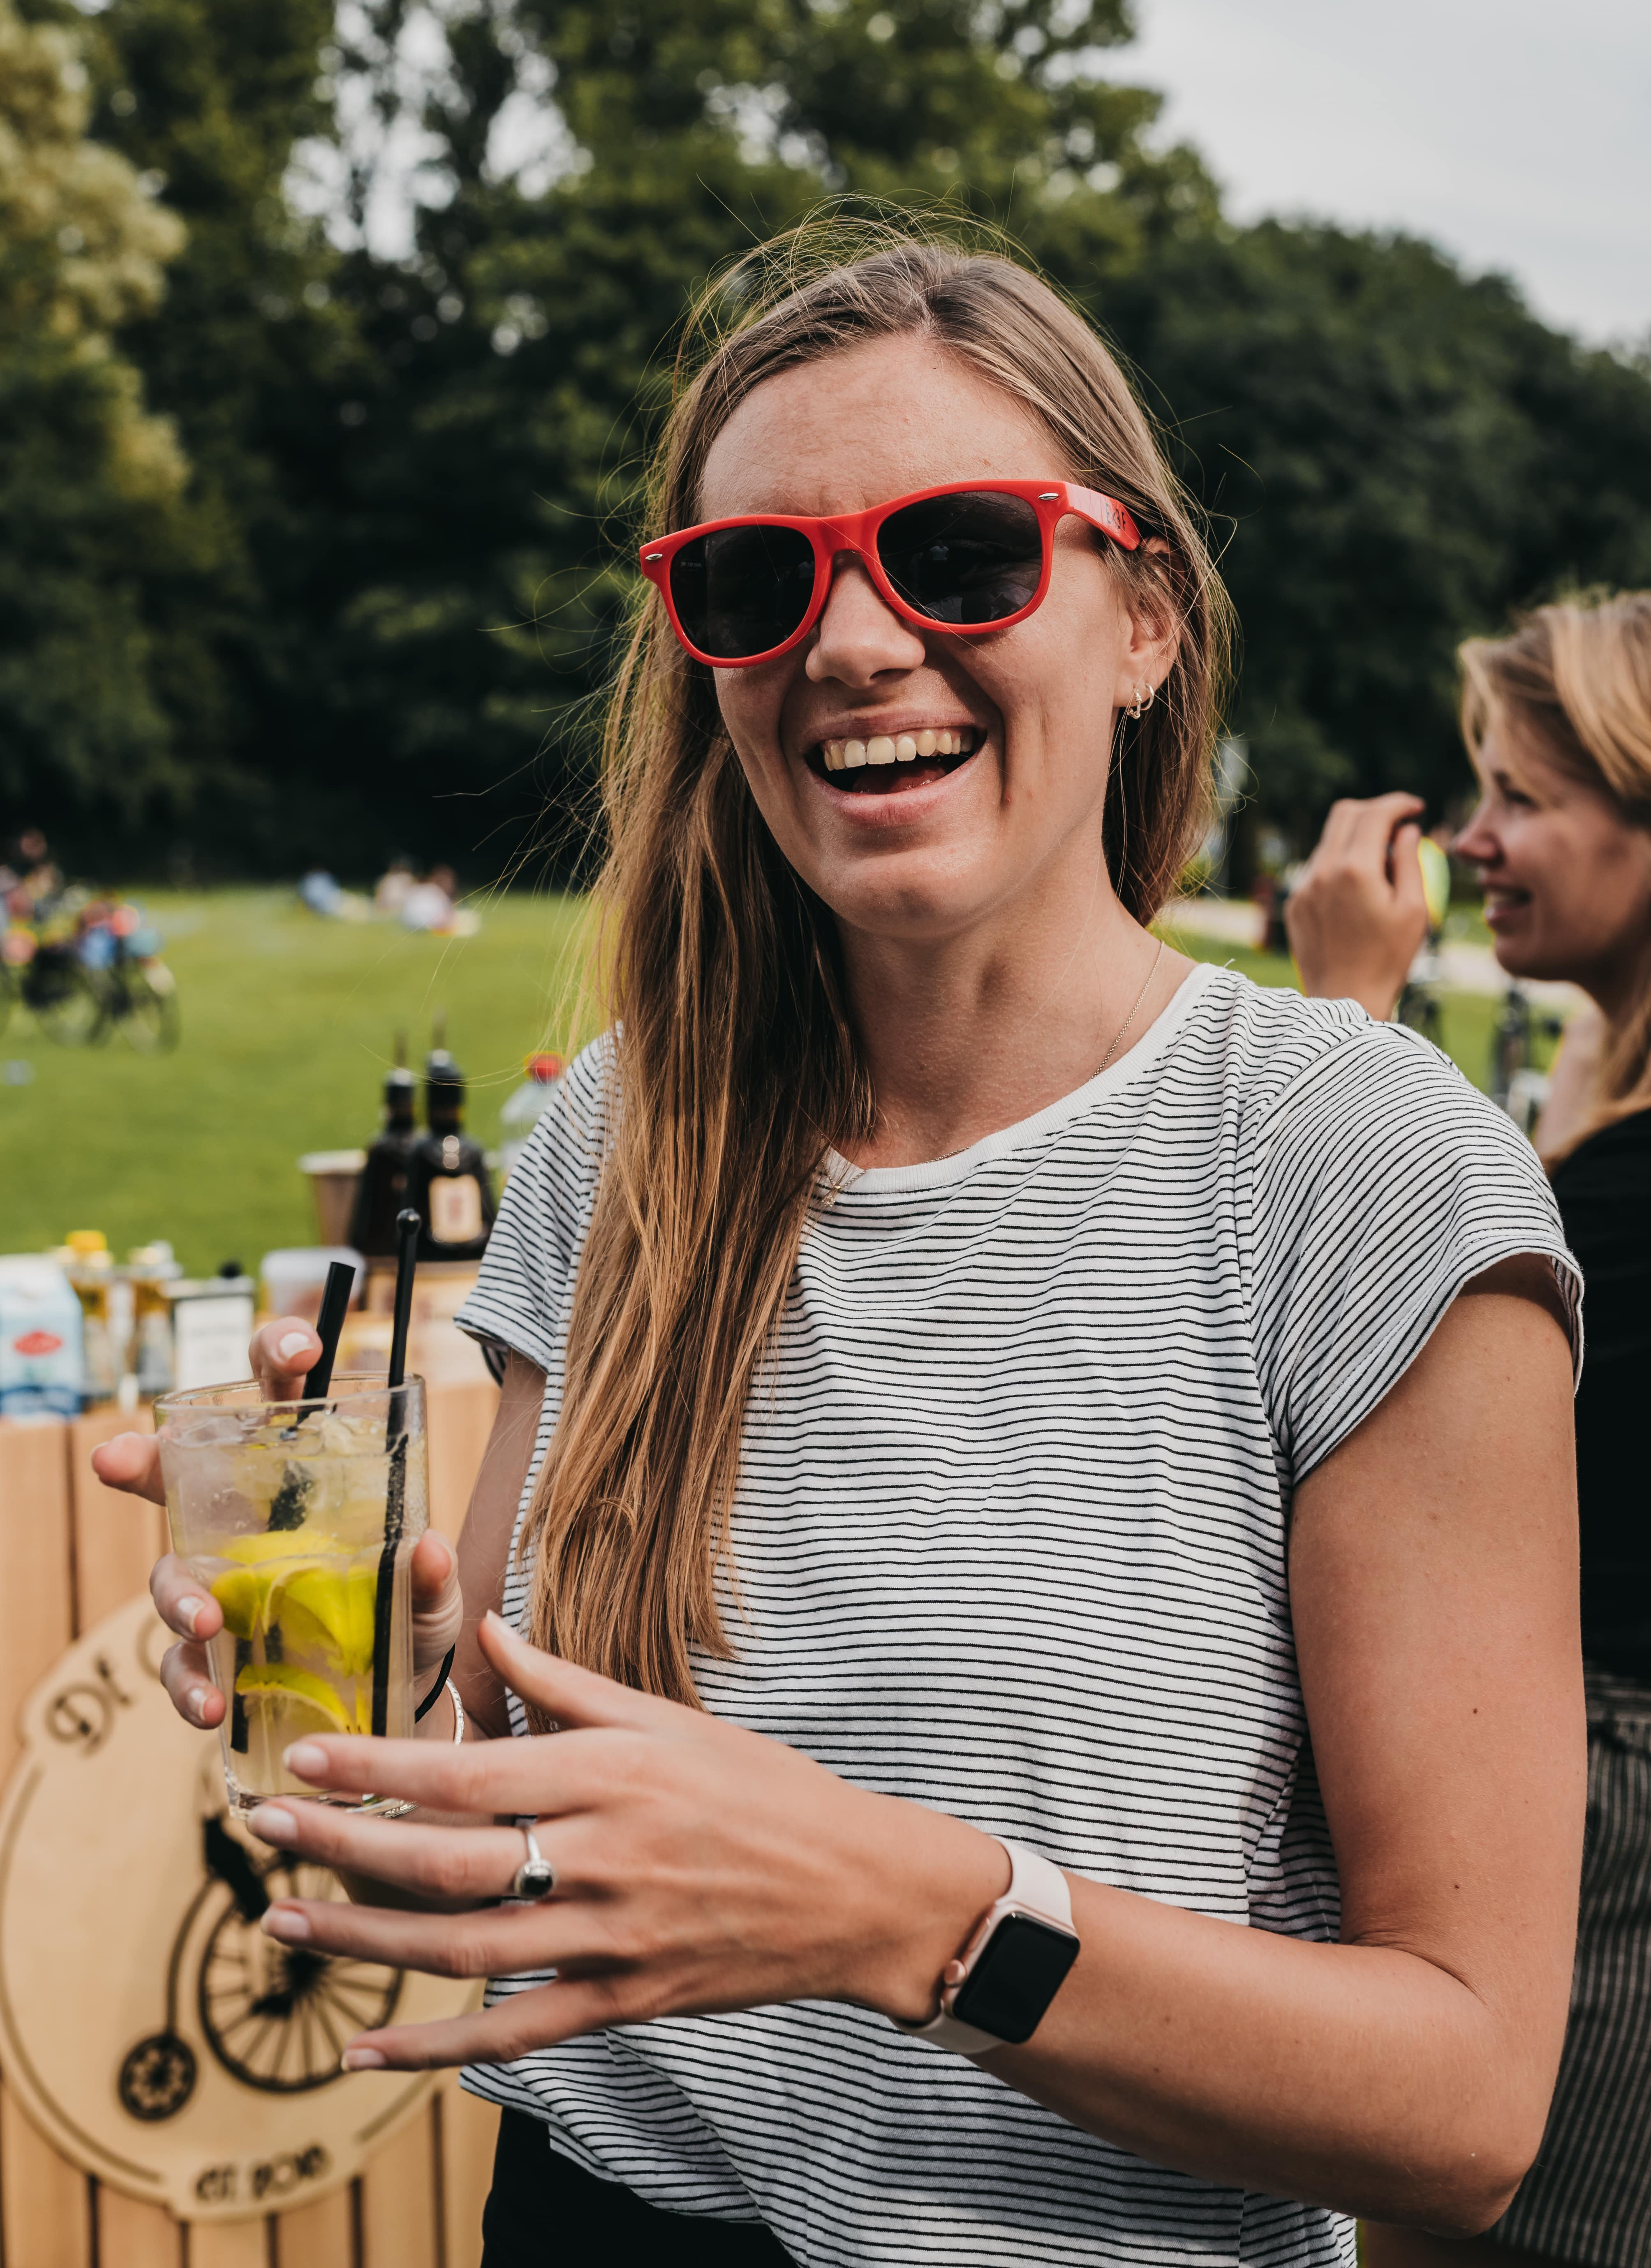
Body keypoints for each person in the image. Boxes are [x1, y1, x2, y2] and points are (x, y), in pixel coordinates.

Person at [99, 237, 1586, 2268]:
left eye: (961, 552)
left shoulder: (1357, 1169)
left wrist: (907, 1913)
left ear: (1142, 612)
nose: (856, 640)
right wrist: (379, 1683)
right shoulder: (625, 1129)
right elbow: (516, 1828)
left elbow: (1470, 2098)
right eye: (755, 579)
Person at [1287, 591, 1651, 2268]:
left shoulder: (1630, 1203)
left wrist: (1346, 1020)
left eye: (1518, 798)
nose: (1478, 841)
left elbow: (1359, 1404)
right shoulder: (1601, 1116)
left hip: (1592, 1910)